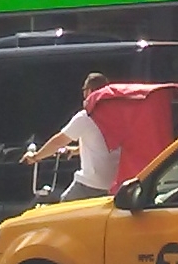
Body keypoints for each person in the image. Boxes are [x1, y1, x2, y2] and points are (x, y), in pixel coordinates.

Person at [22, 72, 120, 201]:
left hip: (92, 184)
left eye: (84, 90)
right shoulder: (118, 115)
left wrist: (35, 157)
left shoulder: (86, 116)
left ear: (89, 91)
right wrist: (76, 150)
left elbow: (58, 141)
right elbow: (105, 143)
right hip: (116, 184)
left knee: (63, 210)